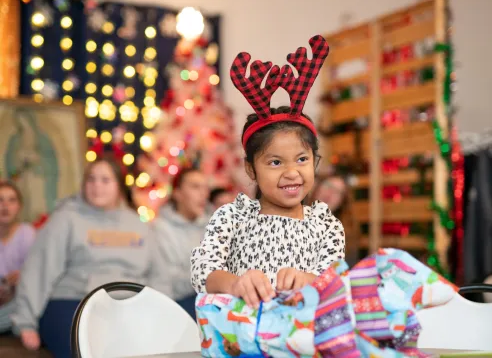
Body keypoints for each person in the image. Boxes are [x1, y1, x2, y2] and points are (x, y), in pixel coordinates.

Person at [191, 34, 344, 308]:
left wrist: (307, 281)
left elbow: (334, 285)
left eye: (301, 159)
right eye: (275, 162)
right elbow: (204, 271)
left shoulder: (326, 226)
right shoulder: (232, 217)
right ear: (251, 169)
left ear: (315, 163)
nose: (291, 173)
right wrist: (235, 283)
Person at [11, 157, 171, 357]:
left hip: (126, 307)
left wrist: (163, 312)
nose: (97, 186)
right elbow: (38, 270)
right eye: (91, 180)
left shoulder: (138, 225)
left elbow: (159, 275)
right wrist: (26, 323)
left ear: (119, 185)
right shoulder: (65, 219)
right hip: (73, 303)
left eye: (105, 180)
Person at [154, 168, 210, 319]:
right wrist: (210, 276)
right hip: (176, 304)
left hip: (209, 299)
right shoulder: (160, 229)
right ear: (177, 194)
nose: (203, 194)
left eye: (205, 188)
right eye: (195, 187)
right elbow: (170, 282)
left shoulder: (212, 225)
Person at [0, 181, 36, 334]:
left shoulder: (27, 233)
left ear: (19, 206)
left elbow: (37, 276)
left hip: (19, 301)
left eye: (11, 200)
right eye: (0, 200)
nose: (5, 206)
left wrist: (22, 277)